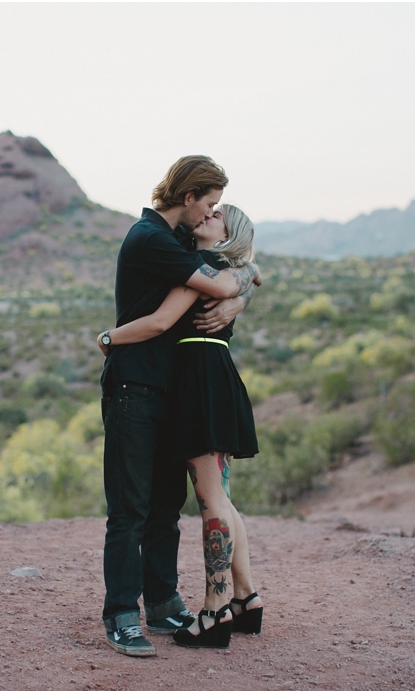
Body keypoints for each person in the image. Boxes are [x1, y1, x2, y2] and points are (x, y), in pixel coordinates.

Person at [98, 156, 262, 657]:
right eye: (209, 203)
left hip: (172, 393)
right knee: (130, 509)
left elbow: (234, 269)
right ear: (188, 197)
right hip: (134, 388)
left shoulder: (180, 244)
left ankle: (165, 603)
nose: (212, 211)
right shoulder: (151, 240)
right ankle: (123, 616)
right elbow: (213, 284)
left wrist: (246, 284)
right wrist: (244, 283)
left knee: (166, 510)